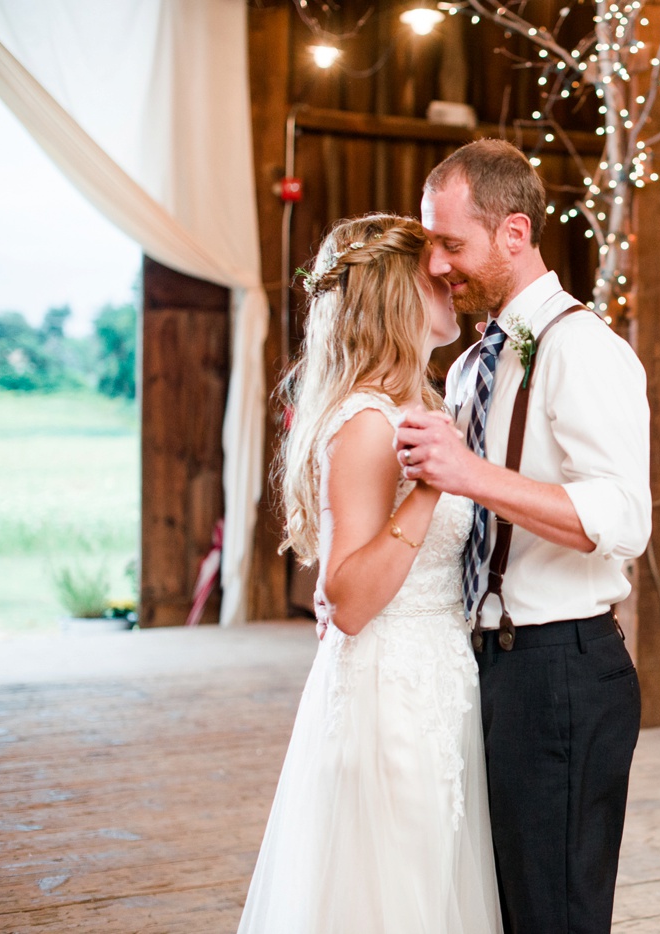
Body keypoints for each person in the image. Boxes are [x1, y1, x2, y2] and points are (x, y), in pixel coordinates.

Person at [397, 140, 650, 933]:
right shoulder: (474, 363)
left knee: (555, 917)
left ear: (514, 233)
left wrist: (470, 473)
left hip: (562, 672)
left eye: (450, 243)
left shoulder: (585, 349)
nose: (436, 265)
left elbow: (622, 519)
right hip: (482, 667)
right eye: (430, 243)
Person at [238, 215, 501, 932]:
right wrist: (431, 489)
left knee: (433, 882)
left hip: (440, 673)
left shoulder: (424, 402)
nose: (452, 281)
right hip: (392, 689)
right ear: (395, 295)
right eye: (435, 273)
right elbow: (347, 599)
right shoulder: (366, 422)